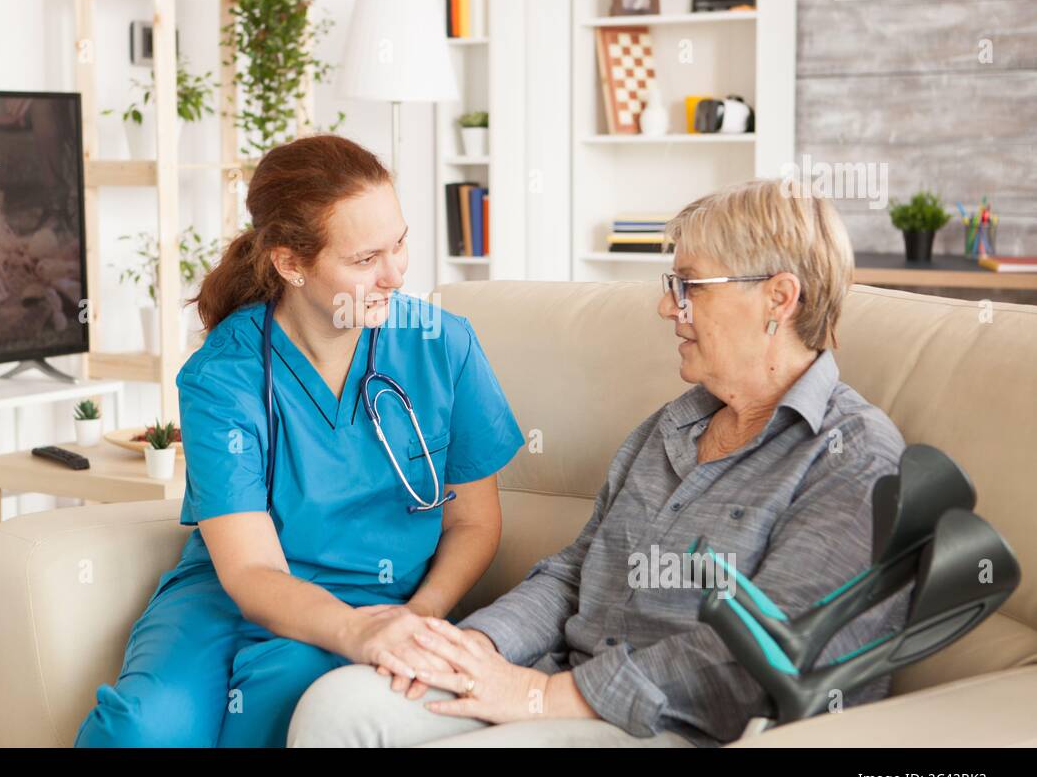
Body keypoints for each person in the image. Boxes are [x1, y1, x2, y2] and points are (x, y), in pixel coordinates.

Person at [289, 177, 910, 748]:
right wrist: (470, 646)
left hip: (675, 726)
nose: (669, 308)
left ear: (779, 297)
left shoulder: (851, 455)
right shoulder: (673, 427)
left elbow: (771, 652)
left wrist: (542, 696)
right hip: (560, 683)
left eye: (688, 286)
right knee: (337, 708)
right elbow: (573, 575)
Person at [74, 134, 524, 747]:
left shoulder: (443, 344)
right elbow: (252, 569)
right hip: (230, 595)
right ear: (291, 263)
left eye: (400, 244)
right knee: (142, 731)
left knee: (275, 710)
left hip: (375, 597)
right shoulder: (225, 374)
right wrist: (356, 634)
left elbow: (475, 521)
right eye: (366, 260)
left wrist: (412, 622)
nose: (396, 275)